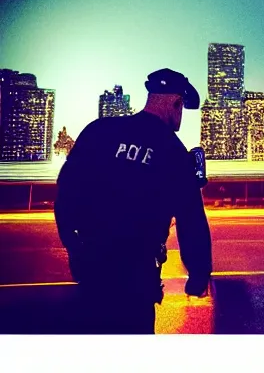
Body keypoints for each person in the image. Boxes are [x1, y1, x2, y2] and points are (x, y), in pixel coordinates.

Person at [54, 68, 212, 334]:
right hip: (137, 277)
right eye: (182, 106)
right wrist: (198, 275)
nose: (181, 115)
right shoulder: (174, 153)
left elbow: (66, 192)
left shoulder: (98, 131)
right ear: (175, 103)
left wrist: (73, 247)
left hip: (91, 267)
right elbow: (191, 219)